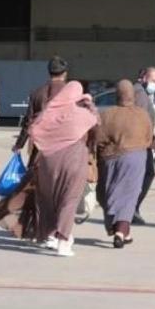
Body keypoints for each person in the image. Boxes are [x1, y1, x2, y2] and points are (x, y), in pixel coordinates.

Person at [0, 56, 69, 240]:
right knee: (59, 190)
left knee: (34, 187)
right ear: (65, 74)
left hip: (38, 148)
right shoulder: (69, 93)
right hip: (62, 148)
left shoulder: (37, 93)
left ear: (49, 72)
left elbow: (27, 123)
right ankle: (53, 230)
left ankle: (28, 226)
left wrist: (19, 145)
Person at [28, 81, 99, 257]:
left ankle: (50, 236)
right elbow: (97, 126)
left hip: (48, 161)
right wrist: (90, 106)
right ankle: (64, 242)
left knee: (49, 199)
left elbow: (33, 130)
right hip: (74, 161)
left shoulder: (50, 113)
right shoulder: (81, 114)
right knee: (69, 200)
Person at [94, 80, 152, 249]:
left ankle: (117, 228)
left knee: (109, 192)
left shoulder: (107, 115)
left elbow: (98, 139)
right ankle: (121, 231)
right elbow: (149, 138)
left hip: (110, 158)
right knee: (129, 195)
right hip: (136, 157)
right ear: (132, 96)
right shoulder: (142, 114)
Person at [133, 66, 155, 225]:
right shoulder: (138, 93)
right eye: (153, 81)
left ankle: (133, 208)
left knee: (148, 172)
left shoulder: (145, 94)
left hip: (146, 142)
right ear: (144, 77)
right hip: (140, 143)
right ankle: (132, 208)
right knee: (147, 173)